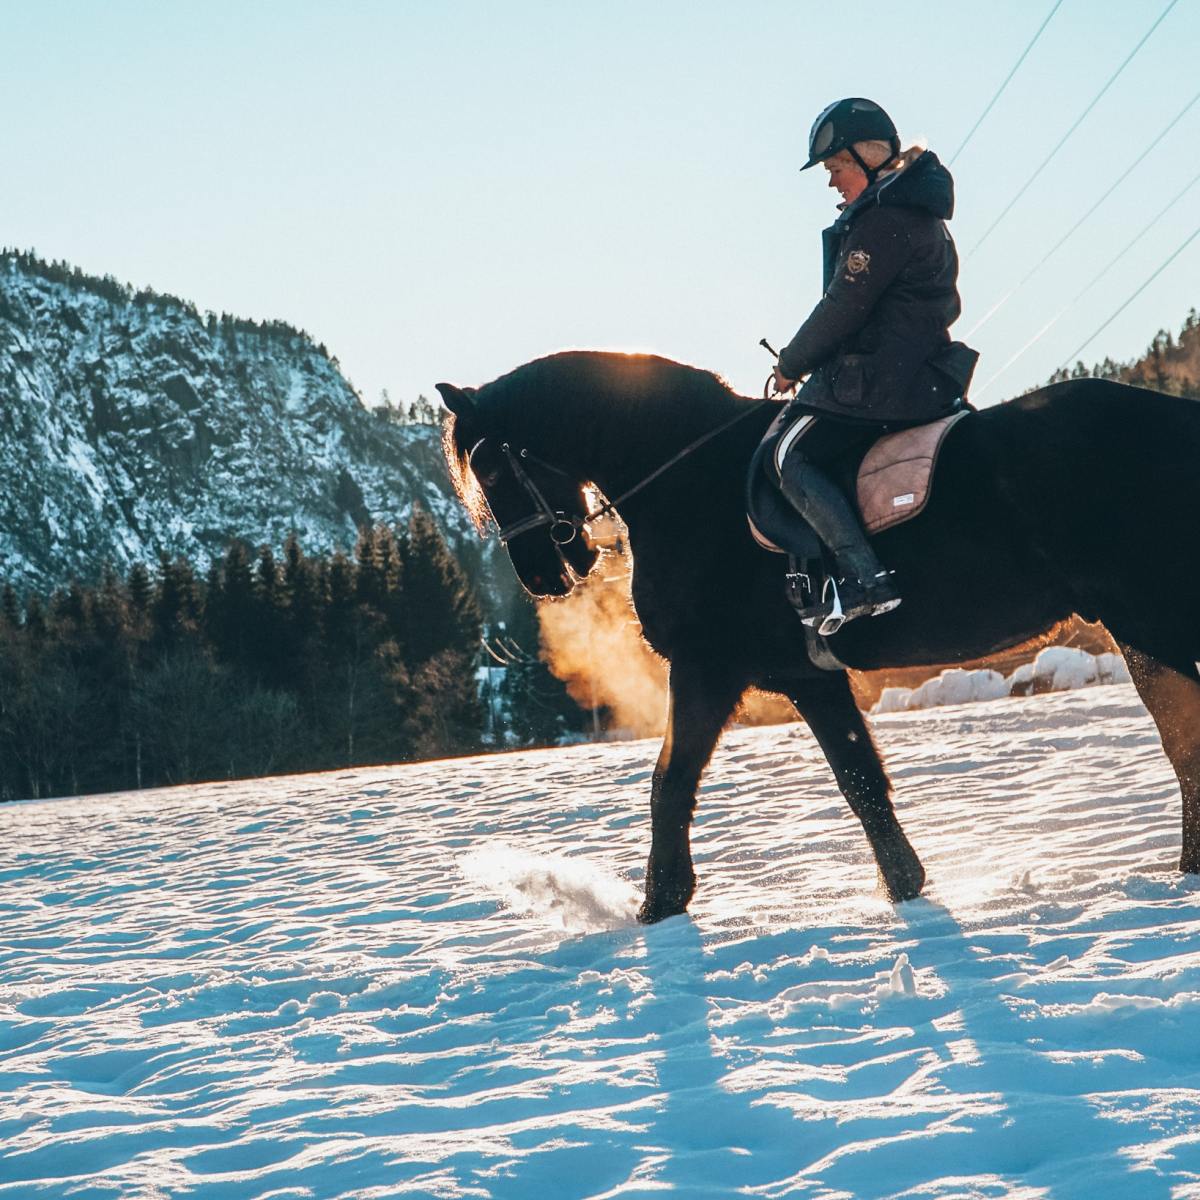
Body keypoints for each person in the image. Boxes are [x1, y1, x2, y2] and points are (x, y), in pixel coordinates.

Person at [767, 97, 978, 627]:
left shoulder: (885, 220)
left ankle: (865, 579)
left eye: (837, 168)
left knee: (787, 456)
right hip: (919, 373)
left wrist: (792, 363)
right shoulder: (910, 211)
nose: (832, 182)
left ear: (868, 155)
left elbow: (843, 306)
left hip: (883, 380)